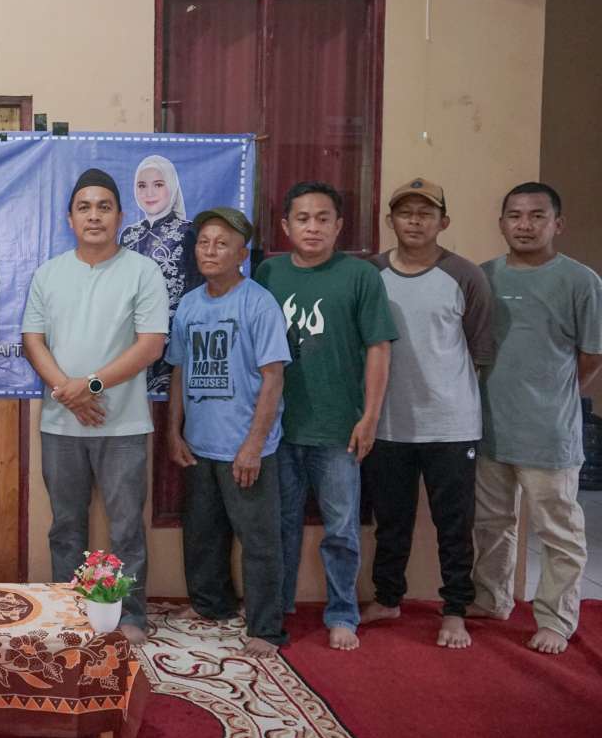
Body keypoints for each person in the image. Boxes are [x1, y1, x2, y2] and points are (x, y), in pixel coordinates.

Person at [22, 168, 168, 646]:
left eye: (104, 207)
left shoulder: (143, 272)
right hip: (61, 422)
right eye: (84, 207)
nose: (94, 216)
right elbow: (32, 340)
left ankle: (131, 614)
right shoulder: (49, 274)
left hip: (123, 424)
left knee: (126, 527)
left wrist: (92, 385)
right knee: (66, 526)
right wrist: (68, 391)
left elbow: (151, 345)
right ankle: (71, 609)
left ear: (120, 216)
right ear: (70, 219)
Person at [255, 181, 396, 651]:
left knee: (341, 529)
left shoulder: (360, 276)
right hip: (278, 429)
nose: (312, 227)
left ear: (339, 226)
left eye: (322, 219)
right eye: (302, 218)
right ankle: (276, 608)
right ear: (285, 226)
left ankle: (342, 613)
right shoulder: (269, 273)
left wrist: (370, 416)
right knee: (280, 525)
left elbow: (379, 348)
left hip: (339, 429)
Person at [359, 179, 493, 650]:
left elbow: (480, 349)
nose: (414, 221)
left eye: (426, 213)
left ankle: (454, 609)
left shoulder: (465, 275)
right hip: (387, 423)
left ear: (443, 222)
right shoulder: (371, 274)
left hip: (451, 425)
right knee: (390, 521)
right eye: (405, 213)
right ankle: (387, 598)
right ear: (390, 220)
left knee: (454, 524)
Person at [470, 182, 601, 655]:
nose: (524, 225)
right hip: (489, 428)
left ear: (557, 224)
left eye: (537, 216)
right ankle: (491, 600)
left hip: (549, 434)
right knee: (491, 524)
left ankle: (555, 619)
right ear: (502, 223)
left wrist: (552, 396)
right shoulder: (484, 276)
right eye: (515, 216)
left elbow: (591, 355)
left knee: (559, 531)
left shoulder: (580, 281)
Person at [165, 208, 290, 657]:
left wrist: (253, 445)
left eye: (222, 244)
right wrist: (174, 431)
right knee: (202, 534)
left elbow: (273, 377)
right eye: (203, 242)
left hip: (246, 447)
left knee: (259, 541)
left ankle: (266, 628)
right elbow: (179, 370)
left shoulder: (258, 303)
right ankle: (211, 605)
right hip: (200, 445)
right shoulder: (190, 305)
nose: (210, 251)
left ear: (242, 253)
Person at [119, 155, 202, 394]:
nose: (149, 193)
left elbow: (196, 291)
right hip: (132, 339)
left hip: (175, 339)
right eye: (142, 185)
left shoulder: (188, 232)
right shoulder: (129, 235)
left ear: (172, 186)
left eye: (158, 184)